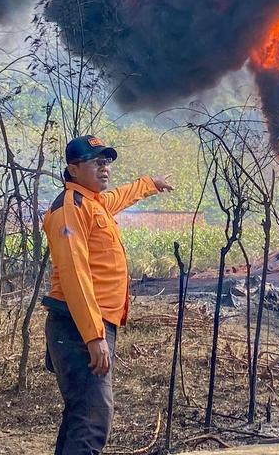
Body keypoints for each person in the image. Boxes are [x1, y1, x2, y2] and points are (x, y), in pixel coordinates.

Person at [42, 135, 173, 454]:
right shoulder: (69, 209)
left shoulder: (91, 202)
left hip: (90, 324)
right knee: (94, 418)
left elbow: (119, 197)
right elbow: (75, 274)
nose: (105, 168)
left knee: (81, 414)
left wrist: (149, 183)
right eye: (96, 162)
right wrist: (93, 336)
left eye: (107, 162)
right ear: (73, 169)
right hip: (78, 326)